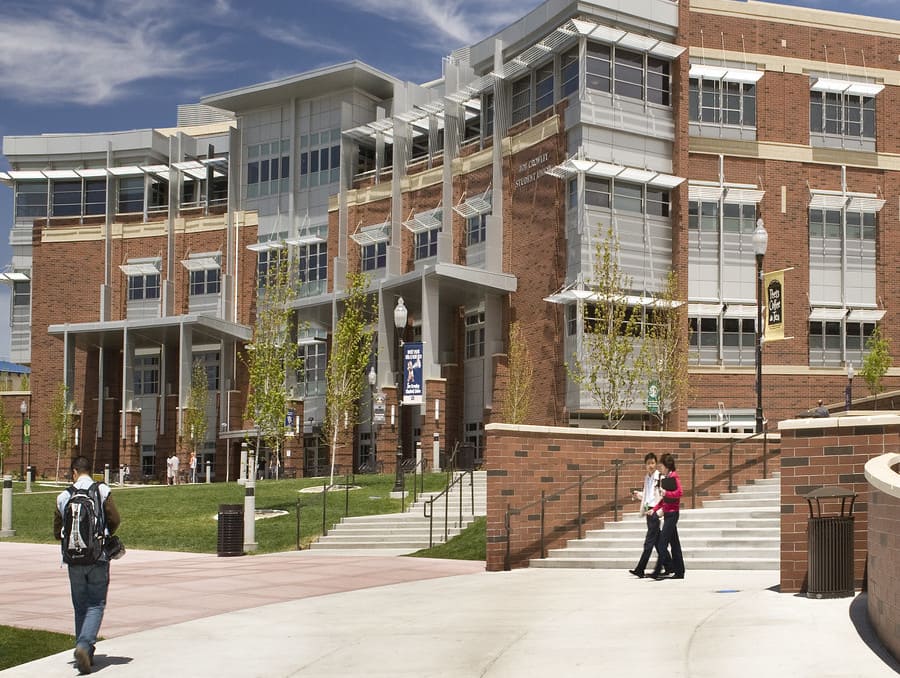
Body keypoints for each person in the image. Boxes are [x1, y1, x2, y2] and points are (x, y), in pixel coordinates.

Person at [53, 455, 121, 675]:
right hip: (97, 557)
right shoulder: (101, 490)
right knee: (96, 603)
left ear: (74, 472)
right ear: (89, 471)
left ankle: (84, 649)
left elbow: (57, 531)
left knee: (80, 605)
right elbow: (115, 519)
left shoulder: (64, 496)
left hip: (73, 560)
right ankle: (84, 646)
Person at [628, 452, 672, 578]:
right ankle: (670, 565)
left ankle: (640, 569)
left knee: (649, 542)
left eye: (652, 463)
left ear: (656, 464)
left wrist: (659, 512)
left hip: (655, 512)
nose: (651, 466)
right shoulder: (647, 478)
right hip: (648, 511)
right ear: (645, 465)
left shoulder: (660, 478)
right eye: (648, 463)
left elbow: (664, 496)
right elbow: (648, 496)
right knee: (658, 542)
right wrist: (638, 495)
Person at [649, 453, 685, 580]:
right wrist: (654, 509)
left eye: (662, 465)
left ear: (667, 466)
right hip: (668, 513)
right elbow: (664, 500)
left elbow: (679, 492)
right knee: (674, 544)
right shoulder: (667, 478)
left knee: (662, 542)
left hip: (673, 514)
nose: (660, 468)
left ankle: (657, 571)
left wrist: (667, 492)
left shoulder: (674, 476)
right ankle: (679, 571)